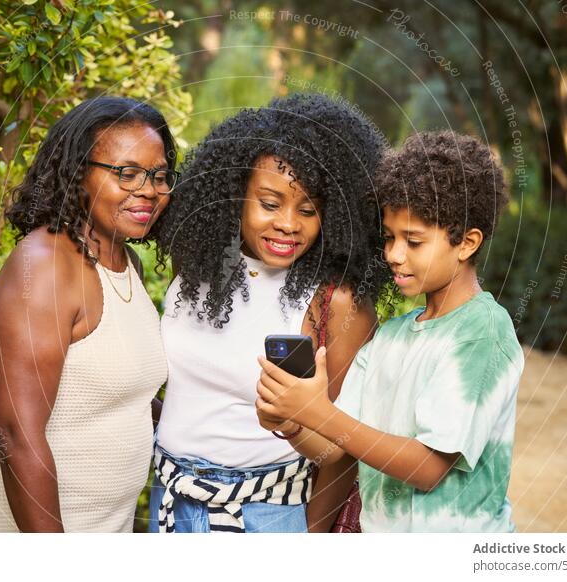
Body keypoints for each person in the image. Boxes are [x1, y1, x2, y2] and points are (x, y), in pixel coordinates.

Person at [256, 130, 523, 532]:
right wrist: (291, 419)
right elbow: (333, 449)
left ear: (466, 243)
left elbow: (427, 467)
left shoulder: (481, 332)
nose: (393, 255)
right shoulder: (392, 336)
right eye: (388, 237)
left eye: (413, 242)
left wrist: (318, 413)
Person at [147, 93, 391, 533]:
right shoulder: (197, 265)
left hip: (265, 514)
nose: (288, 224)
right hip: (169, 499)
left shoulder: (334, 303)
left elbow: (343, 449)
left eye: (309, 210)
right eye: (270, 202)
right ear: (237, 195)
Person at [0, 96, 178, 532]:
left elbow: (115, 391)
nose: (149, 190)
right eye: (127, 173)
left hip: (102, 521)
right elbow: (15, 432)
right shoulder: (44, 266)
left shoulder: (121, 260)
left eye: (158, 175)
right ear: (77, 173)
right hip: (39, 526)